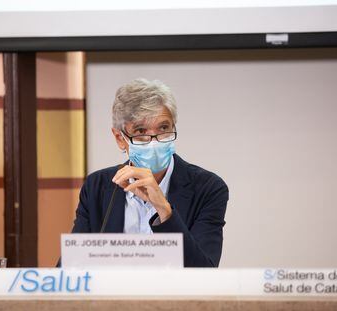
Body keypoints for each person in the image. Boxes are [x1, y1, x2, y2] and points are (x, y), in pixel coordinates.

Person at [70, 78, 229, 267]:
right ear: (120, 138)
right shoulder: (97, 186)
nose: (154, 141)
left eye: (163, 128)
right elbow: (72, 266)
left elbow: (204, 271)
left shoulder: (208, 188)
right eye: (140, 130)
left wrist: (163, 208)